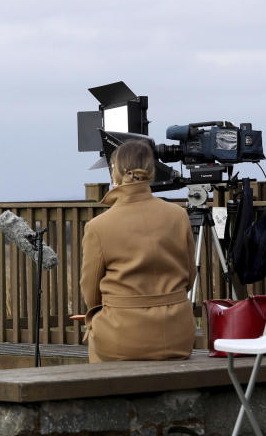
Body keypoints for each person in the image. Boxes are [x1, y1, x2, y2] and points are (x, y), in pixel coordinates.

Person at [81, 139, 196, 362]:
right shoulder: (178, 215)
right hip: (177, 336)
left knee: (95, 339)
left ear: (114, 173)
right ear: (151, 172)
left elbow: (91, 294)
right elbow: (190, 278)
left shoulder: (98, 226)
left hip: (122, 338)